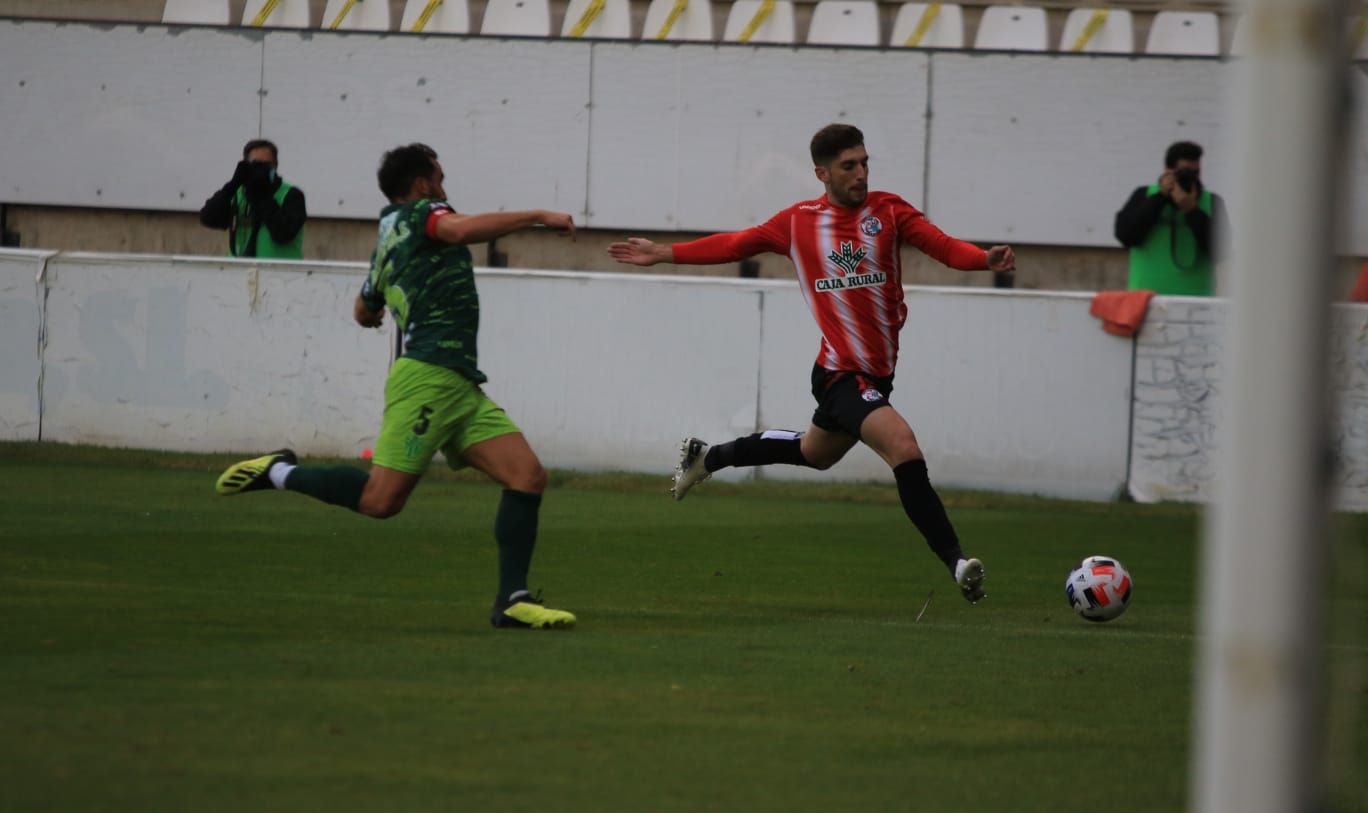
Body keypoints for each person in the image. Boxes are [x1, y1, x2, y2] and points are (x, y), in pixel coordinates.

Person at [608, 123, 1015, 604]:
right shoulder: (798, 222)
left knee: (813, 454)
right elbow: (736, 244)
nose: (861, 173)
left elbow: (943, 247)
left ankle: (707, 457)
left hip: (876, 376)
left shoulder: (888, 211)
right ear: (822, 173)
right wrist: (664, 253)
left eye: (865, 162)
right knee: (903, 446)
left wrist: (982, 259)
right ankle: (957, 562)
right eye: (849, 166)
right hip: (841, 374)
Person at [214, 143, 578, 629]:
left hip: (457, 382)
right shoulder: (425, 212)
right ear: (423, 183)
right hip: (428, 377)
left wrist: (382, 308)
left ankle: (511, 600)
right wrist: (537, 215)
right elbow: (461, 230)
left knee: (526, 476)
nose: (445, 185)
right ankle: (279, 471)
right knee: (380, 501)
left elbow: (364, 309)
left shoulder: (387, 234)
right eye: (440, 176)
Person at [1114, 140, 1227, 296]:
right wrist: (1160, 198)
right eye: (1185, 172)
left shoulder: (1211, 202)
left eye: (1195, 173)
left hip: (1196, 300)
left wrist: (1192, 211)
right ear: (1168, 171)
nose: (1191, 179)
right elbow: (1125, 235)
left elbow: (1222, 250)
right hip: (1145, 300)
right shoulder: (1145, 195)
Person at [199, 139, 307, 259]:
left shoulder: (291, 195)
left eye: (266, 165)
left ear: (275, 166)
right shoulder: (238, 194)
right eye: (256, 165)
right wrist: (233, 184)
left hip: (280, 274)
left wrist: (263, 195)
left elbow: (283, 234)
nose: (261, 170)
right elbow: (208, 218)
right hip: (240, 272)